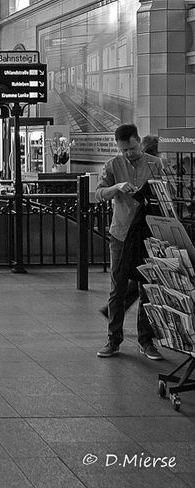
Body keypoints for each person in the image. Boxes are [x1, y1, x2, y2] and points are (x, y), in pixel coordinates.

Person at [96, 123, 165, 361]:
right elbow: (99, 193)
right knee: (118, 287)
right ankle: (113, 339)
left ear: (139, 142)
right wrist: (116, 187)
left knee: (147, 287)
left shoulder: (155, 164)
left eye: (133, 148)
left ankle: (146, 341)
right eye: (124, 150)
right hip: (121, 234)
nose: (129, 154)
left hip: (147, 233)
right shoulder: (113, 165)